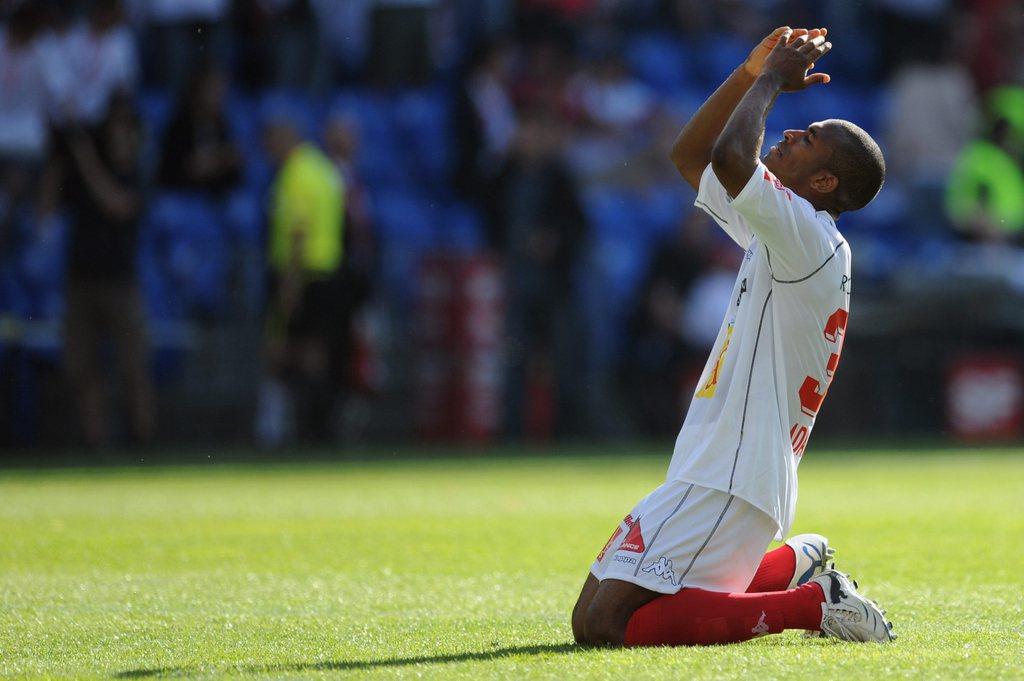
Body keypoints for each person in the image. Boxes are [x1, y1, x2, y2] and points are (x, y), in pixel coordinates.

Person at [571, 27, 893, 647]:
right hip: (714, 460)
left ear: (824, 184)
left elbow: (729, 160)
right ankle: (789, 563)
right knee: (590, 616)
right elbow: (691, 158)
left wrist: (772, 79)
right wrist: (748, 73)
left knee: (607, 629)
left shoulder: (807, 237)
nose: (792, 132)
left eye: (811, 139)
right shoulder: (786, 231)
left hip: (737, 468)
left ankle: (814, 604)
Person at [57, 94, 155, 447]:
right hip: (80, 279)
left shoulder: (137, 175)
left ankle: (143, 444)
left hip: (120, 283)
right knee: (83, 370)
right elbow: (52, 202)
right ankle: (94, 444)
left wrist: (85, 157)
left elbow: (117, 204)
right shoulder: (82, 174)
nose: (120, 137)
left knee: (133, 367)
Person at [256, 112, 346, 445]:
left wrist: (289, 287)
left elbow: (297, 233)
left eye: (269, 141)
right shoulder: (323, 169)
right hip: (329, 271)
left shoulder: (295, 175)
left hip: (303, 274)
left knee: (287, 350)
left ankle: (294, 431)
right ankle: (319, 427)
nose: (266, 150)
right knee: (317, 352)